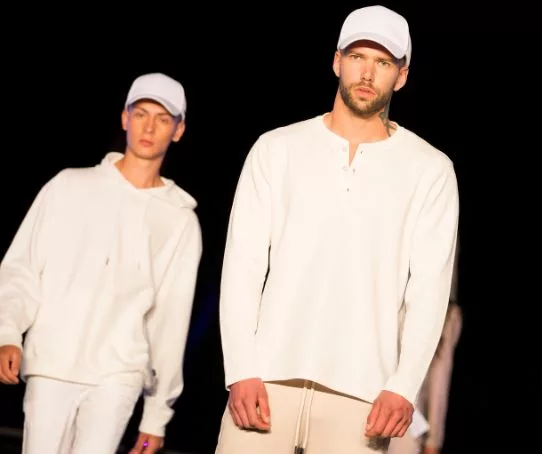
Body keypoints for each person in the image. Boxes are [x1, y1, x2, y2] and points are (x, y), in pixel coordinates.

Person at [214, 5, 460, 454]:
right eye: (357, 57)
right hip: (265, 382)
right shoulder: (276, 149)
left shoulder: (430, 169)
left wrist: (404, 385)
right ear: (336, 61)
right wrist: (240, 369)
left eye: (382, 62)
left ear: (401, 76)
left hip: (364, 396)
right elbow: (242, 267)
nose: (367, 73)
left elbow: (429, 289)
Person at [0, 72, 203, 454]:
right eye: (141, 114)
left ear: (178, 130)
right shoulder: (69, 186)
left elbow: (171, 319)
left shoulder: (179, 219)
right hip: (52, 362)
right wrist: (7, 331)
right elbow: (23, 266)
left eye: (163, 119)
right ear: (125, 118)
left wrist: (156, 417)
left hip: (119, 373)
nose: (149, 127)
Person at [389, 240, 463, 454]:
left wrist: (433, 441)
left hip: (405, 425)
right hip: (361, 412)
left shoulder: (445, 315)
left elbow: (439, 384)